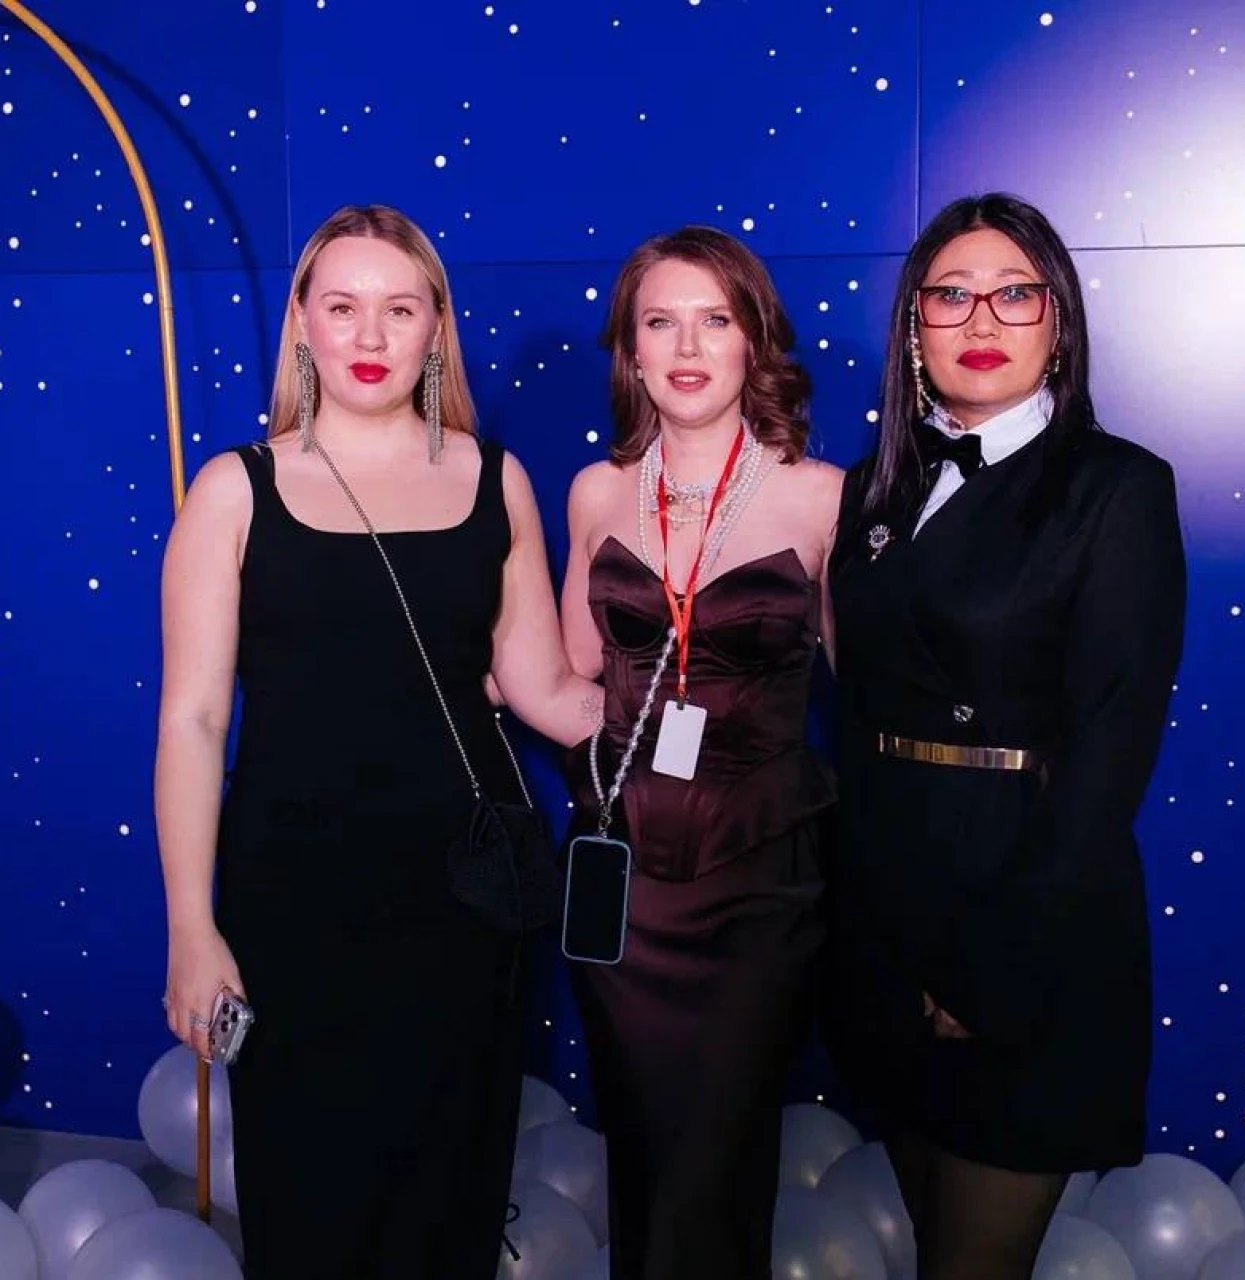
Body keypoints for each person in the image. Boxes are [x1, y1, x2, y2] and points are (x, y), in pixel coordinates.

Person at [154, 204, 602, 1279]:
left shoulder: (495, 479)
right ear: (302, 324)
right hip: (293, 904)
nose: (368, 335)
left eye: (399, 309)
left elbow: (545, 689)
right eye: (342, 306)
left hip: (466, 903)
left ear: (435, 328)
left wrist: (715, 696)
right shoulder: (234, 489)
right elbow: (192, 721)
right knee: (309, 1205)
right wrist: (190, 927)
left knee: (448, 1197)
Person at [824, 192, 1187, 1279]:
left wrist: (990, 967)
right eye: (950, 294)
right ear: (913, 328)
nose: (981, 318)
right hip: (887, 923)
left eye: (1014, 292)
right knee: (928, 1240)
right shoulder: (872, 488)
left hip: (1028, 928)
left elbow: (1110, 752)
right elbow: (855, 714)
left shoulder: (1117, 487)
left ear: (1056, 322)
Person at [559, 225, 844, 1280]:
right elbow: (572, 678)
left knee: (718, 1162)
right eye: (660, 322)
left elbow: (869, 693)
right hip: (623, 883)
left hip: (758, 882)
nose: (686, 346)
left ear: (753, 340)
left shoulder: (822, 496)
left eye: (714, 319)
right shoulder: (597, 492)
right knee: (641, 1150)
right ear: (630, 351)